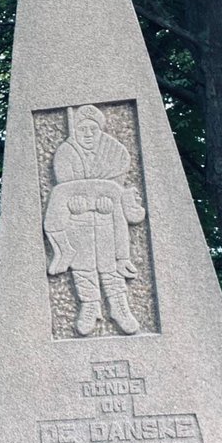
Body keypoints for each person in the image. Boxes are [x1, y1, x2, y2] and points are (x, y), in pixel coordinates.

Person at [43, 104, 146, 336]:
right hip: (78, 224)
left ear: (100, 130)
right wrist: (74, 204)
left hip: (107, 221)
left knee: (110, 266)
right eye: (82, 129)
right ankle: (90, 306)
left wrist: (109, 201)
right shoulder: (66, 153)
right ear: (75, 131)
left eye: (92, 129)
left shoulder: (114, 152)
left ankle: (119, 306)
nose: (87, 134)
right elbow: (64, 188)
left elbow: (116, 188)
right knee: (83, 266)